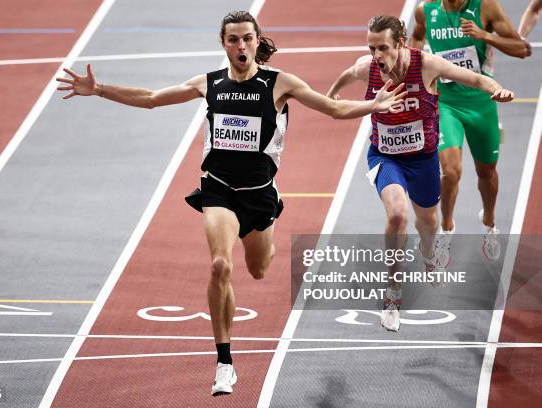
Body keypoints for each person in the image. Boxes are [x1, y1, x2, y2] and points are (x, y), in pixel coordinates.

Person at [56, 10, 406, 396]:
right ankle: (224, 363)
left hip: (259, 194)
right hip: (218, 189)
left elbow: (334, 108)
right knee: (221, 264)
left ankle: (269, 224)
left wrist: (371, 106)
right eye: (232, 40)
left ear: (258, 41)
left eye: (246, 39)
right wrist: (100, 89)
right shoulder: (210, 83)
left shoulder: (279, 83)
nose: (240, 46)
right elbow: (154, 99)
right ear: (223, 44)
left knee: (258, 268)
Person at [327, 15, 514, 331]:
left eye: (382, 48)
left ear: (400, 43)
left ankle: (428, 255)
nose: (376, 55)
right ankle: (393, 292)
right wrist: (332, 94)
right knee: (398, 215)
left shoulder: (427, 64)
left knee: (428, 225)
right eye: (371, 47)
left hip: (424, 160)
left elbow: (475, 78)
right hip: (386, 158)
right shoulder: (367, 67)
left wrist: (496, 89)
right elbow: (347, 74)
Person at [410, 0, 529, 263]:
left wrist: (484, 35)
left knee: (486, 172)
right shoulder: (425, 10)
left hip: (481, 105)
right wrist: (412, 77)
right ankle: (447, 229)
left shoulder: (486, 7)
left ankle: (489, 224)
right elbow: (416, 41)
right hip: (445, 103)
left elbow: (521, 49)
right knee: (450, 172)